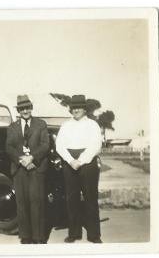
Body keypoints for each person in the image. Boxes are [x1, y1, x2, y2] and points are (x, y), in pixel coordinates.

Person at [55, 94, 103, 243]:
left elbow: (96, 145)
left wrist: (80, 160)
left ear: (85, 109)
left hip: (87, 163)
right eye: (73, 107)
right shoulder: (65, 125)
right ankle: (74, 233)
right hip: (69, 162)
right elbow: (59, 146)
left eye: (79, 107)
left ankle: (94, 235)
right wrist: (70, 160)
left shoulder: (92, 125)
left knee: (90, 198)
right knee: (71, 199)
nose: (76, 110)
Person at [5, 94, 50, 244]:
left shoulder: (41, 124)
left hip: (36, 168)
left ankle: (39, 237)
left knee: (37, 202)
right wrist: (22, 159)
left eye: (27, 107)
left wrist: (32, 158)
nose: (25, 111)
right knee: (22, 202)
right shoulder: (12, 127)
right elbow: (9, 147)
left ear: (31, 108)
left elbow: (45, 145)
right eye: (22, 108)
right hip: (20, 169)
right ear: (18, 110)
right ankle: (25, 236)